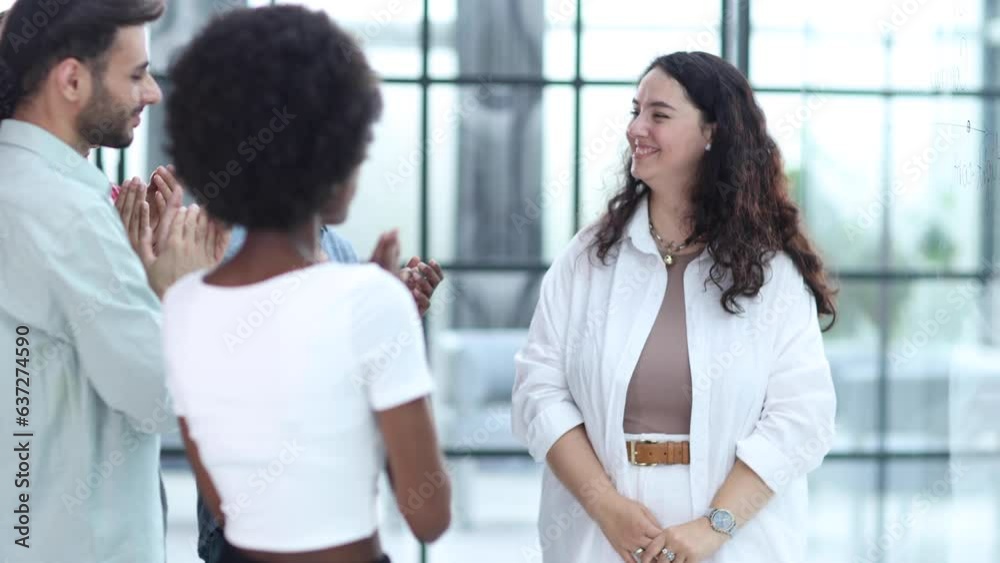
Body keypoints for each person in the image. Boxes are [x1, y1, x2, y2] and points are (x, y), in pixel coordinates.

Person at [511, 51, 838, 563]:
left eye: (658, 114)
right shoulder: (587, 258)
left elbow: (802, 417)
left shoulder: (771, 272)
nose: (635, 128)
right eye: (635, 110)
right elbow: (538, 390)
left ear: (712, 133)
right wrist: (606, 508)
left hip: (735, 544)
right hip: (599, 541)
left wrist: (714, 527)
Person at [161, 6, 451, 563]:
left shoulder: (182, 304)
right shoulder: (374, 302)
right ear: (335, 153)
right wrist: (385, 335)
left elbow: (227, 506)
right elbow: (428, 515)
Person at [0, 1, 221, 561]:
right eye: (137, 74)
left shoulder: (27, 189)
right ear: (72, 80)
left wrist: (134, 276)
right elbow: (162, 397)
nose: (153, 93)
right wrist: (180, 291)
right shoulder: (69, 213)